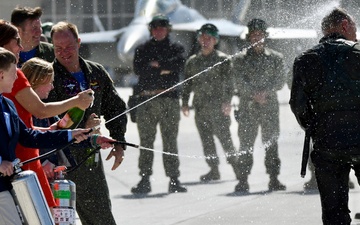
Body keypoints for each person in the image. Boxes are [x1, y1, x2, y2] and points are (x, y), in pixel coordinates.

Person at [0, 47, 115, 225]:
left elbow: (30, 136)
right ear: (1, 75)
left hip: (10, 184)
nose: (17, 77)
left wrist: (73, 134)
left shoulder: (7, 104)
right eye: (13, 73)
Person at [0, 19, 94, 209]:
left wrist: (70, 134)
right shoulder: (15, 77)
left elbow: (27, 133)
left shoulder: (7, 103)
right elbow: (41, 111)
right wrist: (76, 101)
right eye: (16, 41)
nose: (20, 46)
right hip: (21, 163)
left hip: (20, 166)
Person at [47, 21, 127, 225]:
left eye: (69, 47)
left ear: (79, 42)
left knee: (101, 219)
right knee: (59, 220)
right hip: (59, 164)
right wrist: (85, 124)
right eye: (58, 48)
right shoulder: (48, 77)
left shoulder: (96, 72)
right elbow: (47, 119)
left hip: (90, 161)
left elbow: (115, 108)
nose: (64, 53)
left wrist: (119, 143)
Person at [290, 7, 360, 225]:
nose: (356, 34)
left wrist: (318, 128)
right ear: (345, 26)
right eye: (355, 28)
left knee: (333, 213)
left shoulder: (305, 60)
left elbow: (298, 106)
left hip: (327, 144)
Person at [131, 14, 187, 194]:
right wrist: (163, 69)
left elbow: (178, 66)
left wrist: (157, 66)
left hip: (169, 101)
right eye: (155, 28)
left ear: (168, 29)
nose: (159, 31)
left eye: (162, 28)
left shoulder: (176, 48)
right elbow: (139, 70)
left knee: (170, 141)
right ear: (150, 30)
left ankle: (174, 179)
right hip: (146, 101)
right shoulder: (142, 49)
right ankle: (145, 179)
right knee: (146, 141)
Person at [232, 18, 287, 192]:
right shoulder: (240, 59)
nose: (257, 38)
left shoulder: (276, 58)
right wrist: (254, 95)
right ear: (249, 37)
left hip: (269, 108)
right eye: (253, 35)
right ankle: (243, 180)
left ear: (265, 36)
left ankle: (273, 178)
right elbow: (238, 82)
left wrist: (266, 93)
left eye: (260, 34)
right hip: (247, 108)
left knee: (271, 143)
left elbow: (280, 81)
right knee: (245, 144)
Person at [182, 23, 239, 182]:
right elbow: (187, 84)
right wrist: (185, 103)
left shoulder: (223, 60)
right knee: (206, 141)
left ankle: (237, 168)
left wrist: (227, 102)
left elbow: (230, 84)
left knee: (225, 139)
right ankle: (213, 170)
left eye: (209, 38)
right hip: (200, 108)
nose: (205, 41)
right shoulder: (192, 62)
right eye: (202, 37)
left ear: (215, 40)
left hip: (218, 108)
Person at [22, 57, 73, 179]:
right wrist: (45, 161)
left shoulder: (47, 112)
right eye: (49, 82)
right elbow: (25, 139)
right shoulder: (21, 109)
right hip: (29, 176)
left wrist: (92, 137)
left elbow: (62, 133)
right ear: (37, 81)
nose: (52, 87)